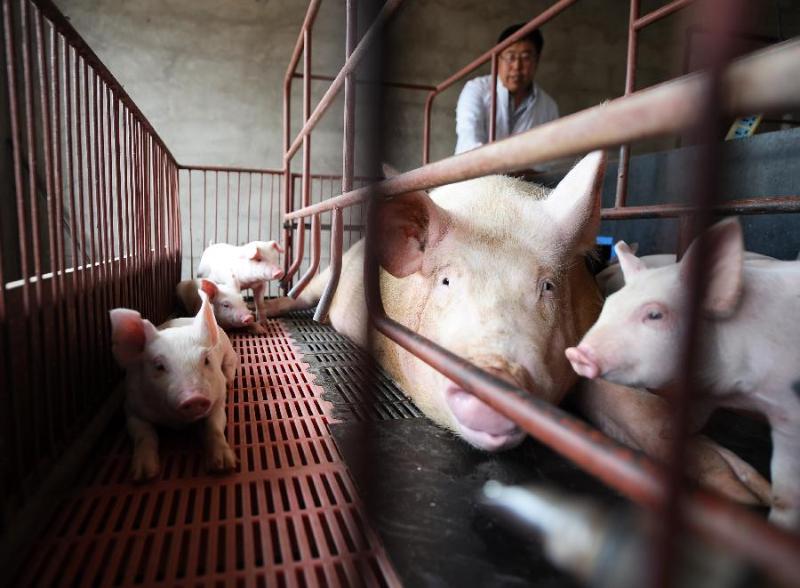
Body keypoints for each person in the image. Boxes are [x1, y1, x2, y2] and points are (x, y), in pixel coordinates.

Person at [455, 24, 559, 155]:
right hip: (478, 175)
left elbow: (549, 157)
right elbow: (469, 144)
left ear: (536, 61)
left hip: (527, 176)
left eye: (526, 58)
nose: (517, 66)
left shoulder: (548, 106)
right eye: (511, 57)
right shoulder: (476, 90)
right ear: (498, 59)